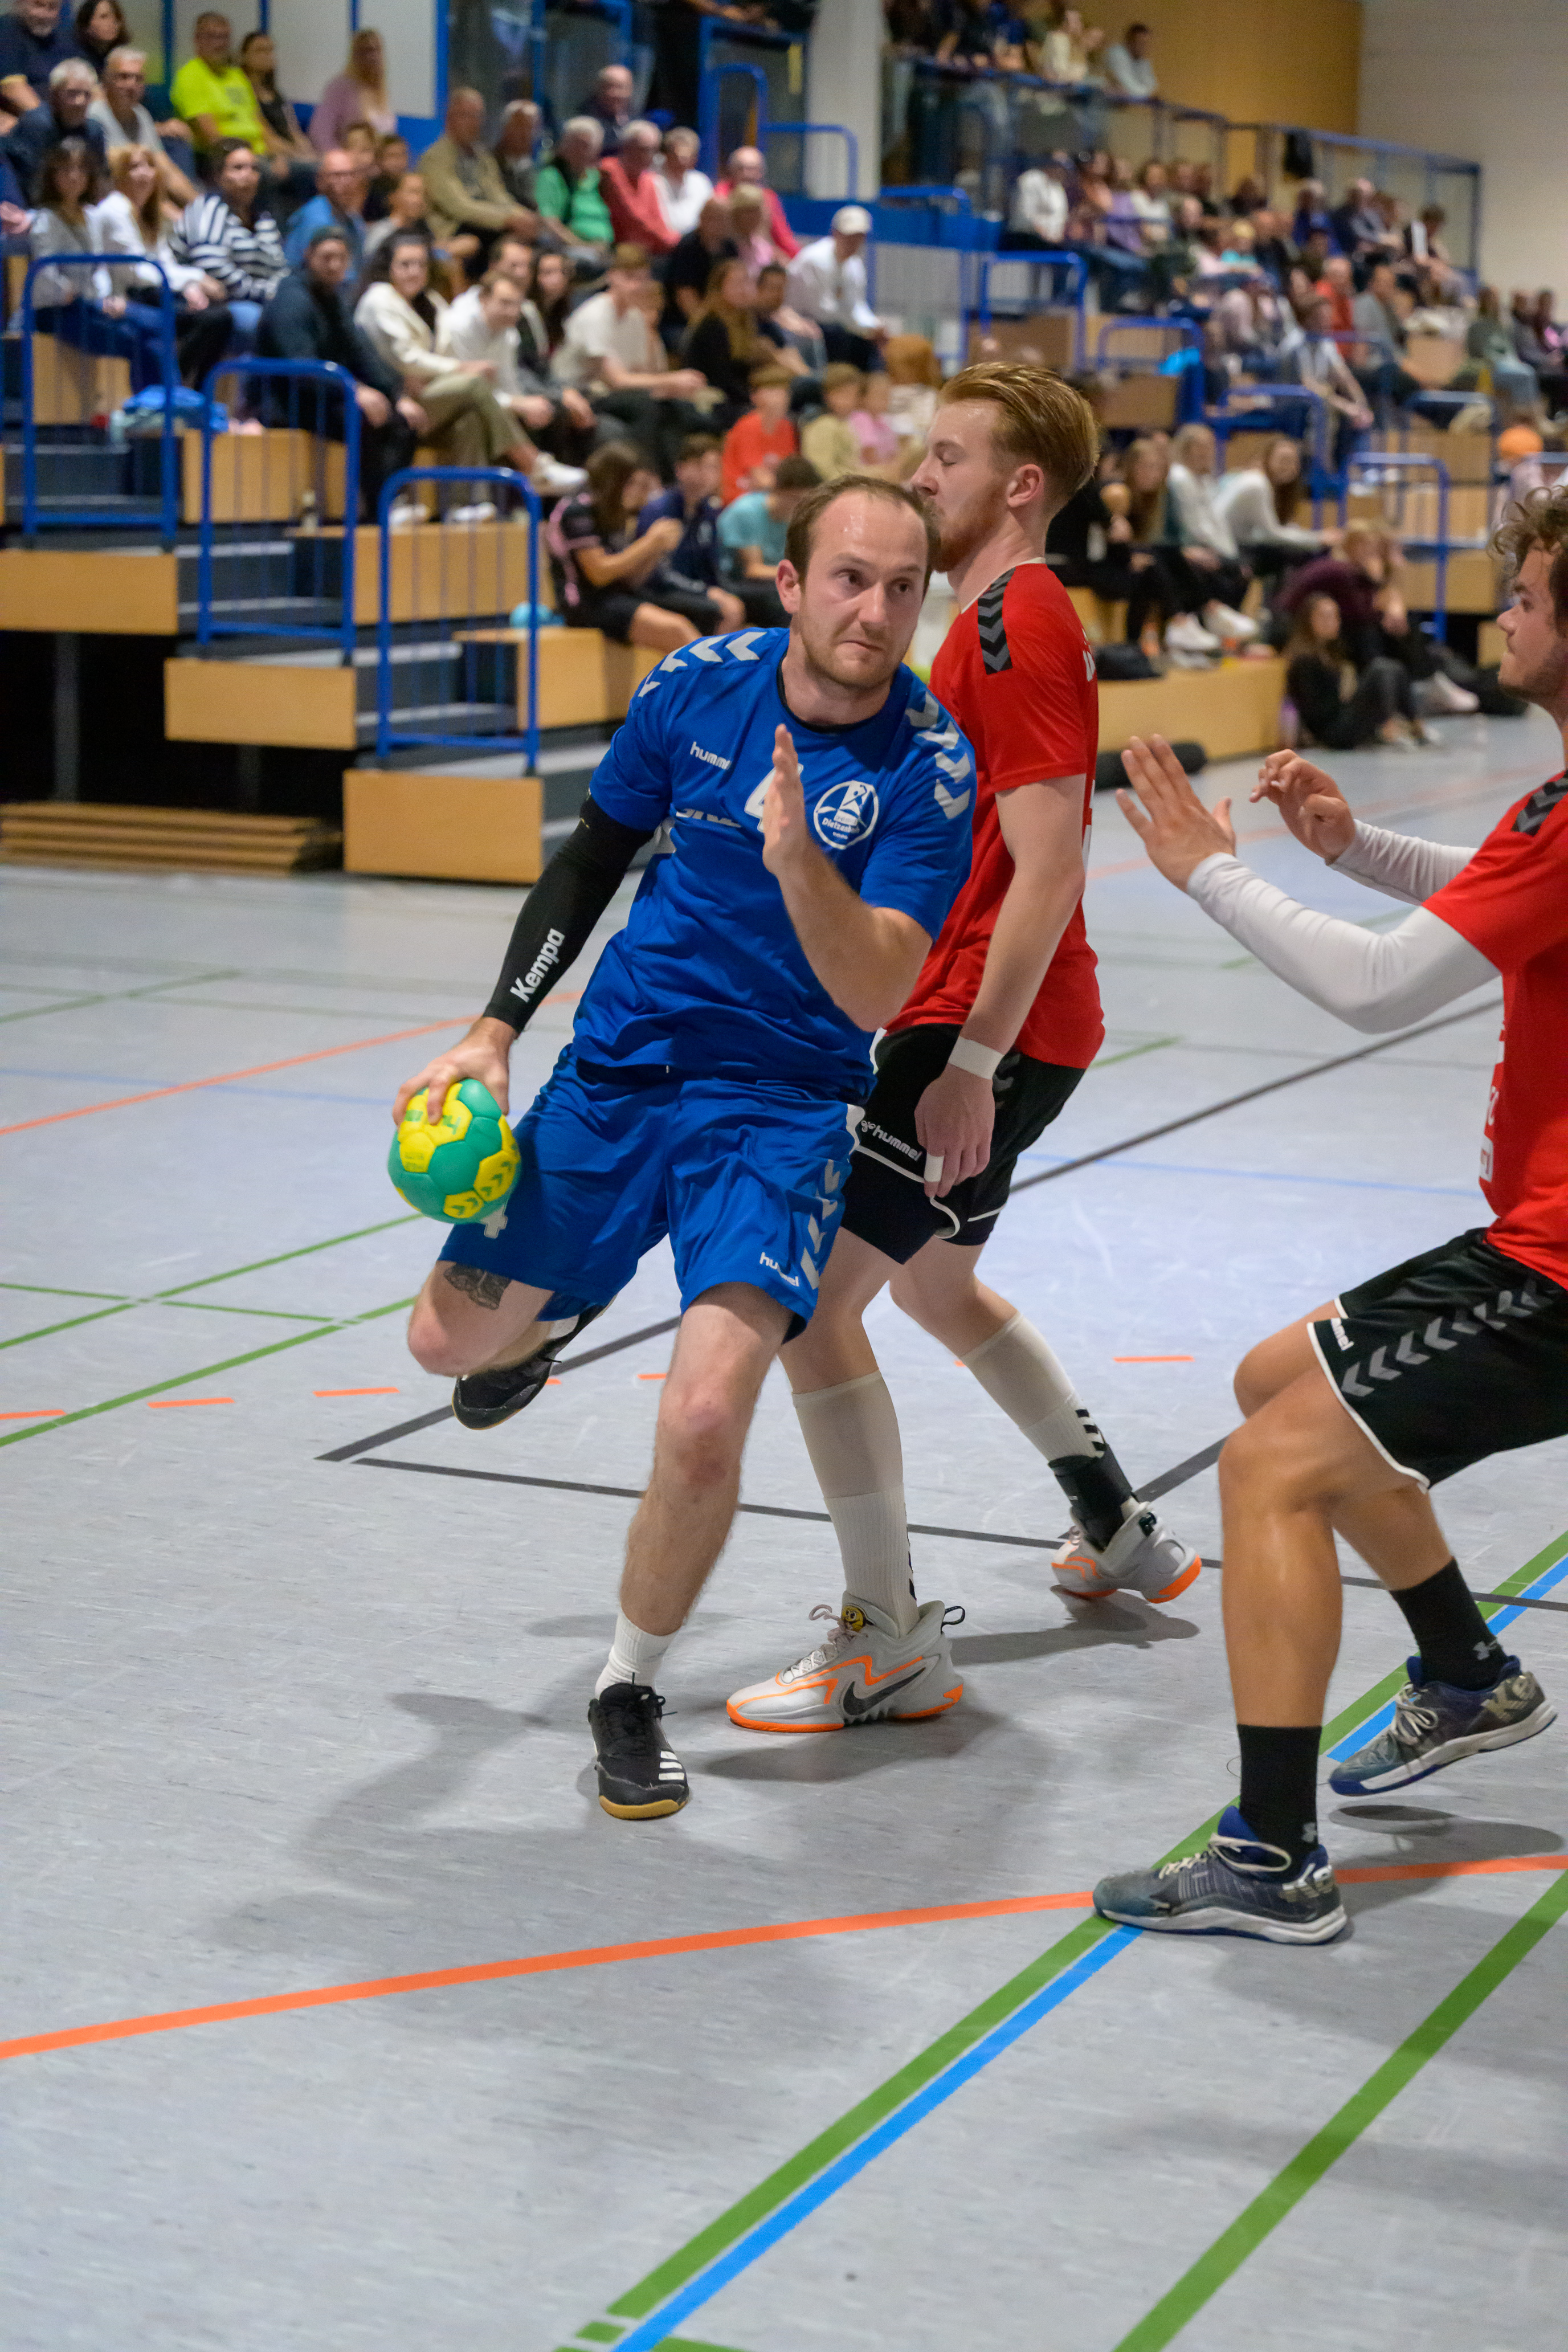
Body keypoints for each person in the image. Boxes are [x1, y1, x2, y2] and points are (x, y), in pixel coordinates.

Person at [394, 472, 970, 1817]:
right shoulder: (694, 687)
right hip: (622, 1067)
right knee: (443, 1344)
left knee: (705, 1417)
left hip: (779, 1109)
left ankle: (626, 1688)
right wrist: (493, 1031)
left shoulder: (929, 765)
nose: (875, 611)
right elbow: (589, 858)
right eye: (850, 579)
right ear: (790, 581)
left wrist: (799, 860)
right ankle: (546, 1319)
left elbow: (877, 991)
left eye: (902, 589)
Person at [1092, 489, 1568, 1941]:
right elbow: (1502, 902)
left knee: (1270, 1468)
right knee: (1273, 1379)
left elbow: (1373, 987)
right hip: (1531, 1237)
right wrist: (1359, 853)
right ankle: (1467, 1672)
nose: (1504, 613)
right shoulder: (1555, 813)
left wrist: (1208, 871)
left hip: (1562, 1272)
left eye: (1528, 595)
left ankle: (1271, 1854)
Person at [726, 364, 1202, 1736]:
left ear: (1019, 484)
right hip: (995, 1009)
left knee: (815, 1307)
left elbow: (1049, 866)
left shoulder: (1013, 620)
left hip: (984, 1021)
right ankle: (1116, 1524)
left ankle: (884, 1638)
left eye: (946, 456)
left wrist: (971, 1063)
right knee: (937, 1288)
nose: (921, 476)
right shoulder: (993, 616)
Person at [353, 228, 540, 503]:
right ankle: (531, 462)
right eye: (405, 265)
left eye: (421, 265)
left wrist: (438, 373)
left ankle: (467, 505)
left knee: (469, 419)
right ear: (388, 267)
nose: (415, 272)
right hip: (393, 398)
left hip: (427, 392)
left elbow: (438, 356)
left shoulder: (431, 301)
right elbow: (407, 358)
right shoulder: (379, 297)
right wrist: (458, 369)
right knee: (473, 383)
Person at [258, 226, 426, 516]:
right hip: (288, 401)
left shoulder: (333, 299)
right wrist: (354, 390)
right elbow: (302, 368)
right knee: (362, 417)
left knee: (403, 420)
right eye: (327, 257)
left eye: (341, 258)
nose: (334, 265)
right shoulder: (292, 299)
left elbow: (361, 352)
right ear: (308, 256)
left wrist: (397, 395)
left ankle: (391, 502)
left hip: (325, 395)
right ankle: (379, 509)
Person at [554, 241, 708, 476]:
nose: (637, 286)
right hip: (579, 393)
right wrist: (670, 380)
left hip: (612, 394)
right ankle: (644, 476)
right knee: (644, 406)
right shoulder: (595, 315)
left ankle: (671, 480)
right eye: (629, 278)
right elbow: (616, 380)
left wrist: (670, 388)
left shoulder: (635, 318)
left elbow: (639, 374)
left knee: (675, 410)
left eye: (643, 279)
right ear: (612, 276)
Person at [439, 264, 590, 492]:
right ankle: (536, 468)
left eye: (517, 305)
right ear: (483, 299)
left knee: (542, 409)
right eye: (505, 303)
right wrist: (517, 404)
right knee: (484, 397)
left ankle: (528, 498)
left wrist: (524, 405)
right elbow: (468, 389)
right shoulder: (459, 325)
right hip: (444, 398)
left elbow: (508, 385)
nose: (512, 312)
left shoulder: (508, 332)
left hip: (475, 406)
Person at [93, 141, 230, 383]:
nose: (145, 173)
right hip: (127, 297)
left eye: (149, 166)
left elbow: (166, 263)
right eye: (135, 167)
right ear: (120, 175)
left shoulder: (149, 213)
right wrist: (196, 278)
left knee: (221, 317)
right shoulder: (114, 209)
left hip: (154, 292)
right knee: (213, 319)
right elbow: (137, 272)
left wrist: (190, 286)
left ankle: (191, 390)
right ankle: (173, 387)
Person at [170, 136, 285, 348]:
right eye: (238, 168)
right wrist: (266, 293)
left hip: (259, 300)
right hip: (209, 304)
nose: (248, 175)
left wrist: (280, 292)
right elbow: (213, 267)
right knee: (266, 323)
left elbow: (279, 266)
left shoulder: (264, 219)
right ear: (219, 176)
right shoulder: (208, 209)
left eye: (254, 169)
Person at [637, 431, 752, 631]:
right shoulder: (658, 510)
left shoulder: (709, 512)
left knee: (761, 601)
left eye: (714, 468)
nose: (707, 475)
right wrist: (706, 591)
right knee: (725, 610)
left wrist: (718, 591)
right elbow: (659, 573)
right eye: (700, 466)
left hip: (694, 588)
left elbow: (711, 567)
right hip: (658, 589)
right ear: (680, 469)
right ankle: (707, 653)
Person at [1284, 591, 1423, 750]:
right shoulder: (1304, 661)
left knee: (1394, 668)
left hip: (1343, 719)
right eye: (1325, 617)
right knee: (1380, 668)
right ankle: (1390, 728)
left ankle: (1416, 726)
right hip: (1331, 732)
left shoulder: (1332, 652)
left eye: (1335, 617)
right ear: (1308, 621)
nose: (1333, 622)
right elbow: (1315, 711)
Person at [419, 87, 536, 271]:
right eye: (466, 116)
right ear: (450, 118)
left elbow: (497, 195)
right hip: (454, 229)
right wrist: (508, 219)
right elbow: (459, 207)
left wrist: (521, 215)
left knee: (532, 238)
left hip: (486, 225)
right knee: (507, 241)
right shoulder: (435, 158)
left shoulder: (483, 157)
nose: (473, 123)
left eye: (477, 116)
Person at [1162, 422, 1259, 641]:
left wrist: (1230, 555)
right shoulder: (1180, 478)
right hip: (1188, 544)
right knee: (1220, 568)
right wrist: (1224, 556)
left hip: (1208, 545)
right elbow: (1193, 527)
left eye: (1209, 446)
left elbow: (1217, 523)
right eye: (1200, 447)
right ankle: (1209, 620)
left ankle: (1221, 629)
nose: (1206, 452)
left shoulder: (1205, 480)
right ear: (1186, 448)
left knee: (1241, 568)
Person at [1212, 434, 1333, 587]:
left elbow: (1272, 529)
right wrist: (1318, 539)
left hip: (1234, 545)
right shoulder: (1257, 484)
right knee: (1298, 554)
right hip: (1225, 549)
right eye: (1284, 460)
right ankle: (1283, 601)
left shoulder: (1258, 482)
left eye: (1294, 462)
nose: (1289, 467)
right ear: (1267, 459)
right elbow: (1270, 533)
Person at [88, 46, 193, 205]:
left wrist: (201, 205)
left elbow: (167, 170)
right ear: (107, 80)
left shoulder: (141, 114)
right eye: (124, 77)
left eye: (138, 79)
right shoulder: (94, 116)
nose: (132, 85)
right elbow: (117, 175)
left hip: (144, 199)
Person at [787, 203, 886, 371]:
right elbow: (822, 312)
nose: (853, 242)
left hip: (834, 327)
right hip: (803, 325)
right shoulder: (815, 260)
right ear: (835, 233)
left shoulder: (854, 264)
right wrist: (864, 329)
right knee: (843, 339)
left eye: (858, 237)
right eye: (849, 236)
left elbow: (856, 306)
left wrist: (875, 325)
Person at [680, 254, 768, 420]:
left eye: (747, 282)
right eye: (737, 284)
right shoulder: (712, 325)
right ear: (719, 289)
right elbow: (721, 378)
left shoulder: (746, 321)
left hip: (735, 396)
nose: (744, 289)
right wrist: (755, 400)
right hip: (713, 399)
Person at [3, 53, 104, 199]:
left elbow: (99, 180)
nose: (80, 101)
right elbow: (29, 183)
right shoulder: (36, 124)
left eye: (87, 94)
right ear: (54, 95)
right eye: (72, 94)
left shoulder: (94, 130)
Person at [717, 450, 818, 590]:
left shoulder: (798, 518)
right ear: (777, 490)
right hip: (736, 582)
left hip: (771, 580)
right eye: (795, 499)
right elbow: (753, 570)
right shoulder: (747, 512)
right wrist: (803, 575)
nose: (800, 507)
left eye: (806, 501)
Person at [532, 114, 611, 270]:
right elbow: (549, 222)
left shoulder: (597, 178)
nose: (580, 151)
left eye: (587, 145)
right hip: (570, 250)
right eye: (575, 144)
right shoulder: (552, 176)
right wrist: (582, 246)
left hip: (603, 249)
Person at [660, 194, 737, 346]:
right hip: (682, 323)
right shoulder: (688, 248)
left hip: (720, 321)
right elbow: (685, 297)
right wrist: (710, 329)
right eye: (714, 218)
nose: (720, 224)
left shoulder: (730, 248)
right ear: (702, 218)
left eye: (725, 219)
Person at [598, 115, 675, 257]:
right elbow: (632, 217)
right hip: (618, 249)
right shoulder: (610, 170)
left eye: (654, 150)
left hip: (649, 249)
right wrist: (673, 242)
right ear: (626, 147)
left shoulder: (649, 179)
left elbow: (658, 219)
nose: (649, 156)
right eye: (643, 149)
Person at [311, 27, 395, 156]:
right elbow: (321, 132)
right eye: (365, 51)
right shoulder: (341, 87)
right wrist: (340, 161)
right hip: (348, 161)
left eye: (376, 50)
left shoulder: (381, 91)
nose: (372, 56)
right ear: (354, 55)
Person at [236, 29, 313, 169]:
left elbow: (294, 130)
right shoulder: (243, 92)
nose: (267, 56)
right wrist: (298, 156)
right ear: (244, 56)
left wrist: (310, 155)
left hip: (290, 152)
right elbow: (267, 137)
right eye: (260, 51)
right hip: (270, 154)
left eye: (270, 50)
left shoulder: (277, 94)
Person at [721, 362, 797, 500]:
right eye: (772, 390)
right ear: (755, 397)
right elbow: (760, 478)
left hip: (771, 495)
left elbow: (788, 472)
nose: (780, 396)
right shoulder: (748, 426)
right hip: (741, 496)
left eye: (784, 390)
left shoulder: (787, 427)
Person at [283, 145, 366, 271]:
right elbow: (295, 269)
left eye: (352, 174)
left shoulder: (354, 219)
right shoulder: (313, 219)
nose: (347, 182)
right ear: (320, 181)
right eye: (338, 175)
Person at [716, 141, 798, 260]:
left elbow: (783, 238)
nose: (746, 174)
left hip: (760, 257)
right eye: (741, 168)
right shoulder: (720, 196)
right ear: (731, 171)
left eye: (752, 169)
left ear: (761, 172)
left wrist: (798, 259)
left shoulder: (768, 197)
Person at [754, 256, 825, 376]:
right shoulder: (749, 319)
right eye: (772, 288)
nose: (777, 294)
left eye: (781, 288)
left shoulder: (776, 319)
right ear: (758, 289)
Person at [801, 361, 865, 481]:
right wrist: (862, 480)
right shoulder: (823, 425)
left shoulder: (845, 423)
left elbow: (852, 465)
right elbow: (823, 471)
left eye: (853, 395)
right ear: (827, 395)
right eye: (842, 394)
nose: (848, 401)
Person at [655, 124, 712, 240]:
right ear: (667, 155)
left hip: (694, 243)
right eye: (678, 156)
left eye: (687, 157)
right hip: (661, 241)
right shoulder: (653, 181)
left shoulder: (701, 182)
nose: (682, 162)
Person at [491, 98, 539, 210]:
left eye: (531, 128)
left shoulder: (534, 167)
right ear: (505, 128)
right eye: (520, 126)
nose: (525, 134)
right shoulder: (489, 163)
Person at [581, 59, 632, 157]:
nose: (615, 94)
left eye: (621, 88)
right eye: (609, 87)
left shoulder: (637, 119)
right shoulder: (586, 119)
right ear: (599, 89)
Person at [1102, 18, 1154, 97]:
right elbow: (1126, 84)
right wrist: (1148, 94)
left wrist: (1149, 94)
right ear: (1130, 40)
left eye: (1146, 43)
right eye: (1140, 42)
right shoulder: (1116, 53)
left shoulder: (1141, 60)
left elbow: (1151, 85)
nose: (1143, 47)